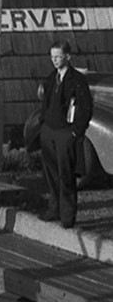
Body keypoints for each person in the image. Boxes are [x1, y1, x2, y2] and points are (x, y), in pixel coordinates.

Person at [39, 40, 94, 228]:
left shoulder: (77, 80)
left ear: (68, 57)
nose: (55, 61)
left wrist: (75, 132)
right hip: (49, 131)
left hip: (65, 133)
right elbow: (45, 103)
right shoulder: (51, 78)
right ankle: (54, 209)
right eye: (52, 57)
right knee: (51, 173)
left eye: (58, 57)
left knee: (66, 175)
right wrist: (43, 125)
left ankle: (68, 216)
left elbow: (86, 108)